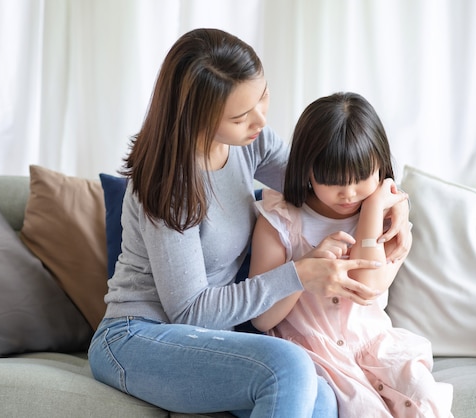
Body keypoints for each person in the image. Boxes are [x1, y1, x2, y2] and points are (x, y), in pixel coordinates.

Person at [88, 28, 412, 417]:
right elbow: (190, 312)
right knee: (290, 366)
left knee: (323, 397)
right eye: (241, 116)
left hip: (209, 338)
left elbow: (330, 182)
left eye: (262, 97)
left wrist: (392, 203)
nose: (260, 119)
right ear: (198, 118)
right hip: (136, 338)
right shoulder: (168, 185)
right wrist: (297, 274)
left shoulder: (250, 143)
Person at [249, 92, 454, 417]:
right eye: (332, 181)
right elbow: (261, 318)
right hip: (310, 351)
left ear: (380, 166)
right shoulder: (280, 220)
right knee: (363, 409)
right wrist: (304, 271)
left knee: (423, 397)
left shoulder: (386, 218)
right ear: (307, 169)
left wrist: (373, 209)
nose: (349, 193)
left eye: (361, 179)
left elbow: (365, 286)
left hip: (374, 346)